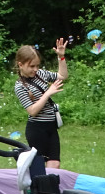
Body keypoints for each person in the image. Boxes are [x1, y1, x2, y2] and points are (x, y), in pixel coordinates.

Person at [14, 40, 69, 169]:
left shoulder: (41, 74)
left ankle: (49, 189)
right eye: (32, 66)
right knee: (39, 167)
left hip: (51, 126)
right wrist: (48, 93)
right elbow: (32, 111)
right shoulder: (20, 86)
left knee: (55, 164)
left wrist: (61, 57)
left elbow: (62, 76)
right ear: (20, 65)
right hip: (37, 129)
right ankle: (38, 188)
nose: (35, 69)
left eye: (37, 66)